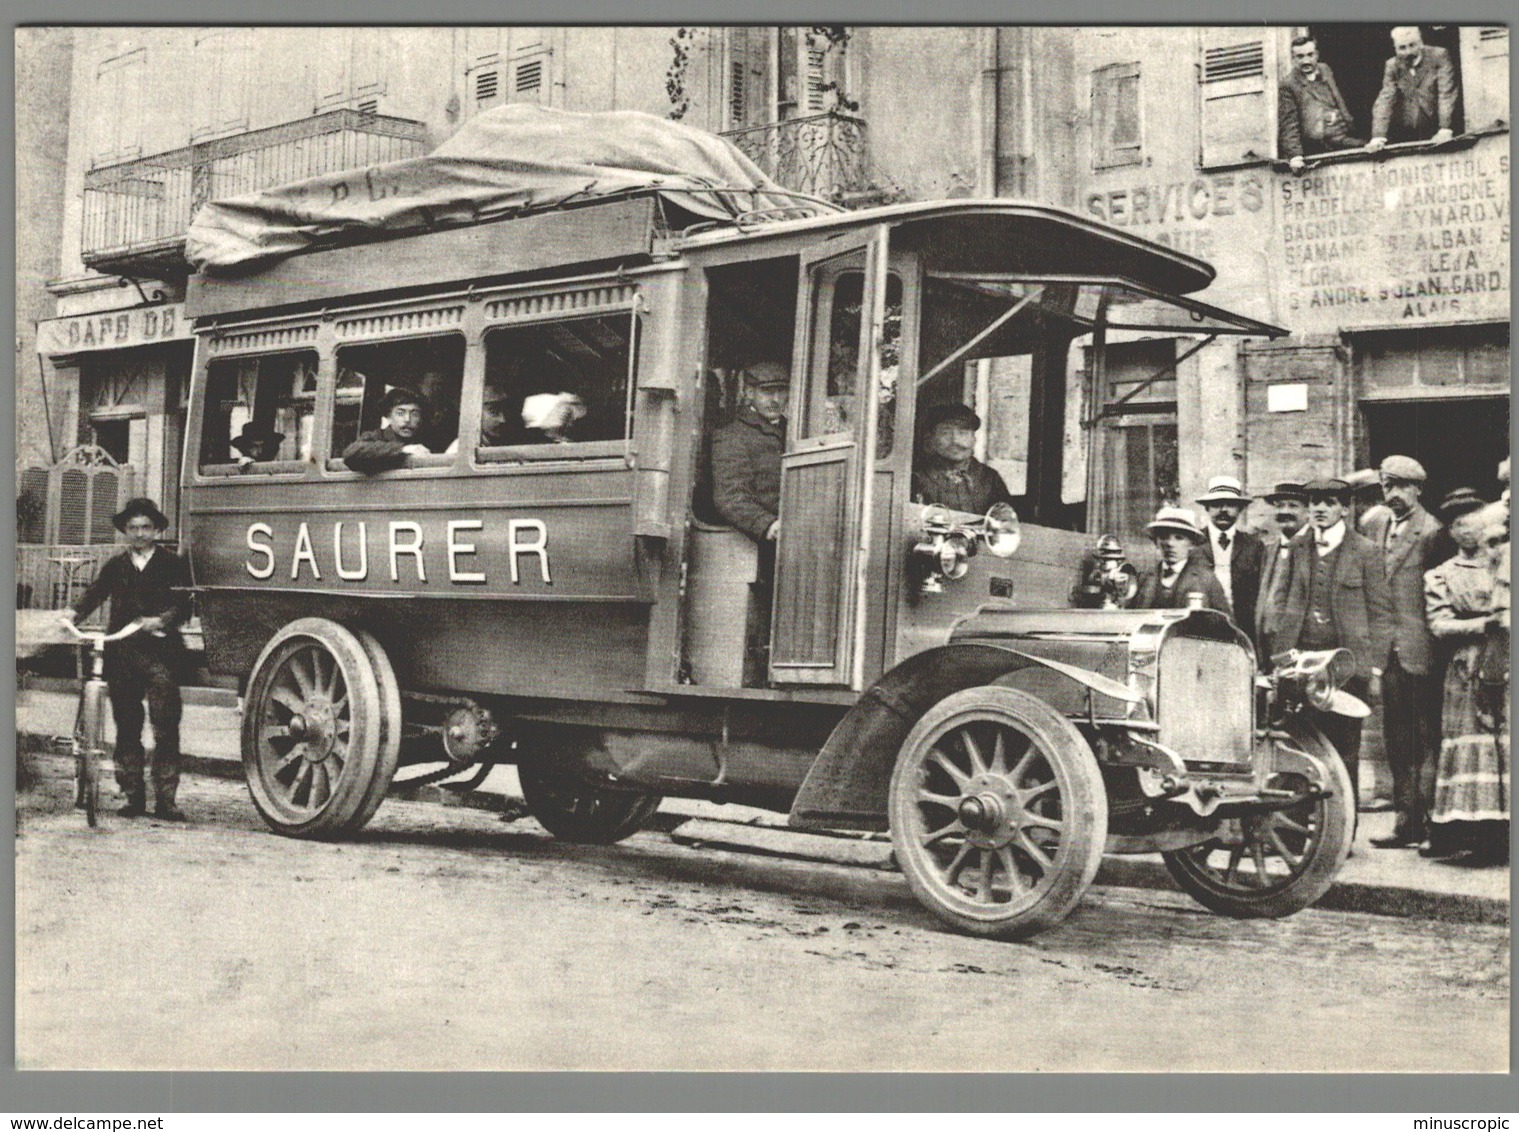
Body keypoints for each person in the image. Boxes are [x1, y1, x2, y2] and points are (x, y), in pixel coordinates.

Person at [57, 498, 193, 821]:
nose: (140, 534)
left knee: (165, 723)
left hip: (161, 656)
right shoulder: (116, 565)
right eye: (133, 528)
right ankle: (132, 795)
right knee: (127, 726)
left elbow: (186, 604)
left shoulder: (172, 564)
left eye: (146, 527)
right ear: (125, 531)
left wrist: (162, 620)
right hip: (122, 655)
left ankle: (166, 799)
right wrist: (72, 614)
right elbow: (95, 593)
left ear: (157, 530)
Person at [1271, 478, 1393, 810]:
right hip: (1301, 663)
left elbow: (1381, 613)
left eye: (1329, 501)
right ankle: (1301, 828)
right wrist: (1280, 657)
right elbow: (1282, 603)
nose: (1320, 509)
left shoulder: (1365, 550)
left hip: (1346, 667)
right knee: (1298, 743)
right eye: (1313, 502)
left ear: (1344, 507)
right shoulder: (1297, 548)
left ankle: (1342, 826)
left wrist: (1376, 666)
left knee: (1344, 748)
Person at [1359, 455, 1448, 849]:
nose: (1392, 494)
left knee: (1426, 737)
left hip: (1421, 650)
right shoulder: (1372, 523)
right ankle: (1405, 823)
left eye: (1400, 486)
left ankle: (1431, 822)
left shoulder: (1433, 532)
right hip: (1385, 651)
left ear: (1418, 489)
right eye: (1386, 486)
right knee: (1396, 738)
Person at [1424, 490, 1508, 863]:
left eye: (1472, 518)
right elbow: (1440, 624)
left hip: (1507, 659)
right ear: (1450, 531)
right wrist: (1483, 625)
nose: (1466, 529)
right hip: (1467, 667)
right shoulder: (1441, 574)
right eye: (1457, 523)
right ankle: (1472, 833)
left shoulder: (1503, 563)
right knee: (1472, 743)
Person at [711, 362, 789, 544]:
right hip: (762, 543)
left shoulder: (795, 431)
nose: (776, 399)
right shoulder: (731, 436)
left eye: (782, 391)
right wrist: (767, 524)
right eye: (767, 392)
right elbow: (730, 498)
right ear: (749, 393)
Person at [1279, 35, 1366, 173]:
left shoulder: (1325, 70)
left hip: (1342, 137)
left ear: (1317, 55)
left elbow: (1337, 99)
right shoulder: (1289, 85)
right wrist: (1295, 157)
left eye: (1310, 55)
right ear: (1293, 59)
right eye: (1300, 57)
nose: (1306, 61)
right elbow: (1289, 124)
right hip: (1317, 146)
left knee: (1367, 150)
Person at [1194, 475, 1264, 643]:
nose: (1224, 510)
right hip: (1200, 628)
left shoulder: (1254, 546)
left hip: (1243, 631)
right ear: (1207, 508)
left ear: (1240, 509)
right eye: (1217, 504)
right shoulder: (1194, 543)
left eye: (1231, 505)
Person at [911, 403, 1015, 516]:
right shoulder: (917, 478)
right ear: (930, 439)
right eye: (945, 433)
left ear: (973, 439)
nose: (956, 441)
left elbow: (1004, 522)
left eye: (963, 433)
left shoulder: (990, 478)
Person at [1130, 505, 1232, 618]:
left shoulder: (1206, 580)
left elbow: (1227, 625)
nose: (1170, 544)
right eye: (1164, 537)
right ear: (1156, 541)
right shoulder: (1143, 578)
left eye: (1179, 538)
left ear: (1191, 544)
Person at [1367, 27, 1459, 151]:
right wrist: (1378, 137)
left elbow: (1446, 93)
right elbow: (1385, 99)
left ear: (1420, 43)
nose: (1408, 52)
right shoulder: (1392, 65)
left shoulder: (1439, 56)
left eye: (1412, 45)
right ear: (1395, 49)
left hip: (1439, 127)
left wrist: (1444, 129)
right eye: (1402, 48)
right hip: (1409, 131)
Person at [1255, 480, 1308, 663]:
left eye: (1293, 506)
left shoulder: (1316, 549)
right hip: (1268, 646)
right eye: (1279, 506)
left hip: (1300, 651)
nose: (1284, 511)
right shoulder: (1269, 550)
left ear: (1308, 512)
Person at [341, 387, 433, 473]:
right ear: (388, 416)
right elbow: (351, 453)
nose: (407, 419)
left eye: (414, 414)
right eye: (400, 413)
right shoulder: (376, 436)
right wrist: (402, 450)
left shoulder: (425, 440)